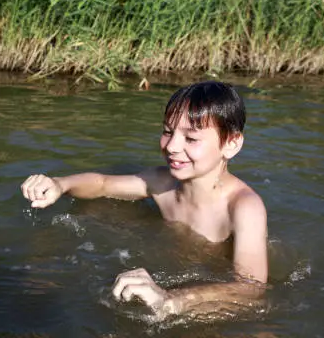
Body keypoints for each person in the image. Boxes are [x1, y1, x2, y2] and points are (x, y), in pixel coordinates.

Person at [20, 81, 268, 320]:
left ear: (231, 144)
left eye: (190, 139)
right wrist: (61, 184)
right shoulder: (163, 183)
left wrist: (170, 300)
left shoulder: (244, 208)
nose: (171, 146)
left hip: (209, 286)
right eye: (167, 132)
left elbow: (251, 289)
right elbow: (103, 184)